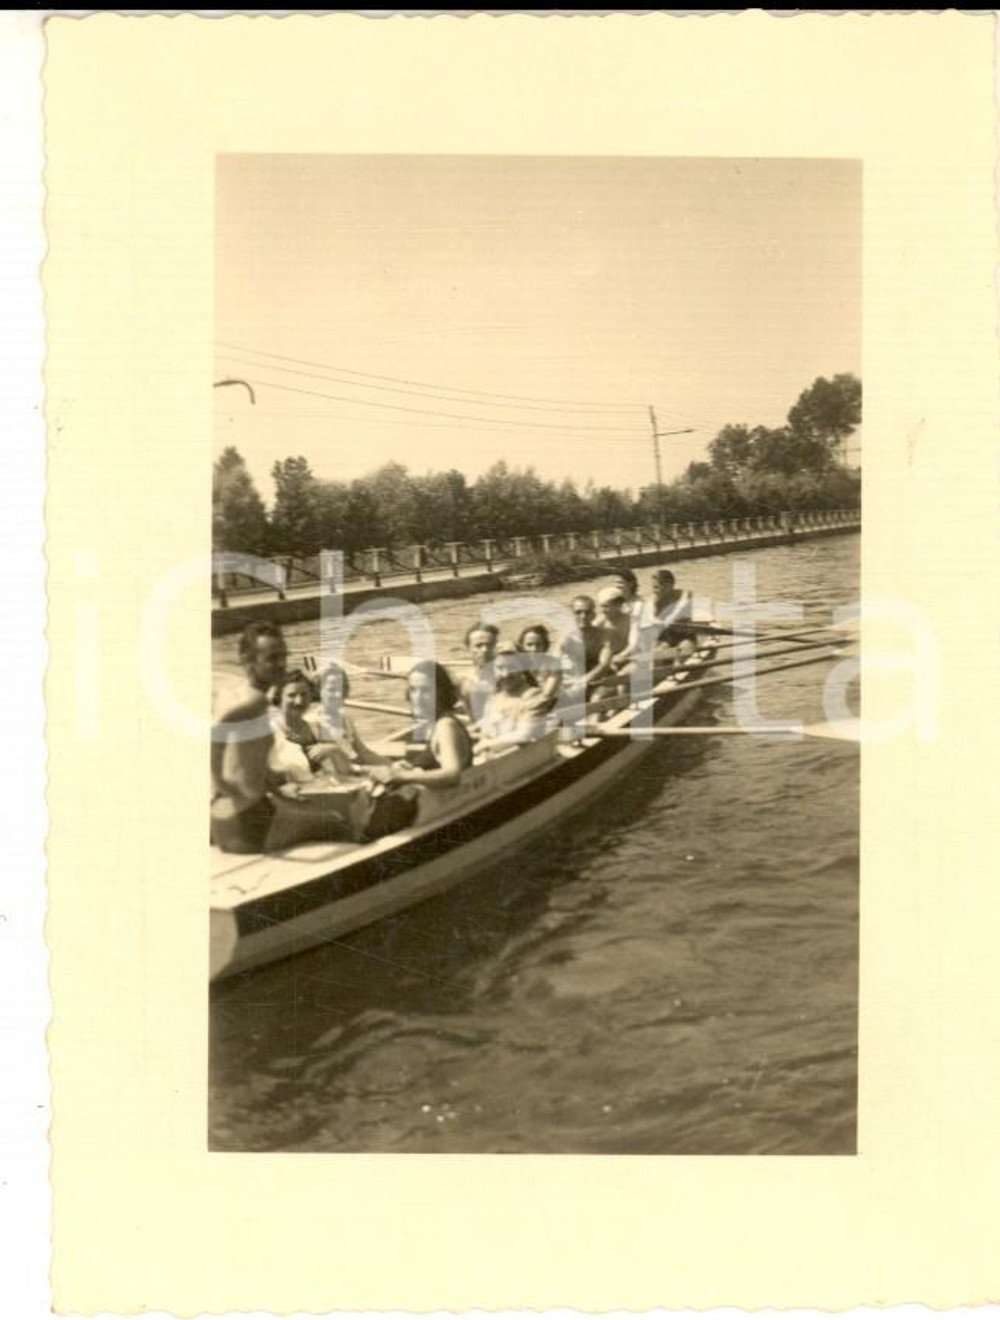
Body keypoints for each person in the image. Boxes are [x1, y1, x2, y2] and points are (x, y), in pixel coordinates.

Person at [210, 621, 288, 854]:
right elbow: (215, 734)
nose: (282, 664)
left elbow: (243, 758)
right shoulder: (256, 701)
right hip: (250, 822)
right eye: (272, 658)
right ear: (249, 660)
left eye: (284, 656)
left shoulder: (231, 694)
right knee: (340, 819)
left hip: (224, 817)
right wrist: (221, 783)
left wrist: (275, 786)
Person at [368, 660, 474, 792]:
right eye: (413, 690)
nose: (417, 697)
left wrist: (402, 776)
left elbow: (452, 775)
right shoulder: (435, 724)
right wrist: (410, 768)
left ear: (441, 692)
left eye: (425, 690)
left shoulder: (446, 726)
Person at [476, 643, 552, 754]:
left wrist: (487, 744)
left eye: (511, 667)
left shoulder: (533, 696)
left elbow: (525, 734)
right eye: (500, 668)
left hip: (523, 756)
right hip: (495, 754)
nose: (506, 674)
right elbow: (486, 731)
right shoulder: (495, 697)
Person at [632, 568, 696, 662]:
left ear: (668, 586)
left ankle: (679, 667)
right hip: (667, 637)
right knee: (658, 653)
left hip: (684, 635)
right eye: (653, 587)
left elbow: (679, 609)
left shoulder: (685, 594)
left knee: (684, 650)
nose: (654, 591)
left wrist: (667, 620)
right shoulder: (655, 602)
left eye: (656, 587)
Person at [558, 595, 611, 697]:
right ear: (571, 614)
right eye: (578, 612)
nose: (583, 616)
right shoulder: (565, 638)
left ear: (594, 614)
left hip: (600, 681)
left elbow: (604, 665)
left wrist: (583, 680)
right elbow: (557, 665)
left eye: (587, 612)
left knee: (597, 698)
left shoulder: (603, 636)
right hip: (575, 681)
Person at [459, 621, 500, 724]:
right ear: (468, 649)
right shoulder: (461, 680)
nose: (485, 650)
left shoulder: (510, 677)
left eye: (490, 645)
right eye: (478, 646)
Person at [516, 623, 562, 711]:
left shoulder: (553, 664)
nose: (534, 649)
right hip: (523, 705)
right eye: (529, 645)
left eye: (539, 644)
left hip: (550, 705)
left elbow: (547, 695)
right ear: (522, 646)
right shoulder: (517, 664)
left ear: (545, 645)